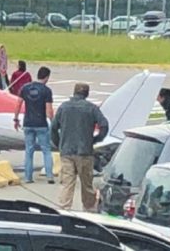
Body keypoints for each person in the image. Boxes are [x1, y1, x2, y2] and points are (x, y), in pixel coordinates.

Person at [51, 83, 109, 212]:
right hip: (85, 151)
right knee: (87, 184)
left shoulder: (63, 107)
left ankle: (64, 209)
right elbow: (104, 125)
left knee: (67, 183)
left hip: (66, 151)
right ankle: (89, 210)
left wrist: (59, 143)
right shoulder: (91, 108)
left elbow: (54, 128)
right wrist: (95, 139)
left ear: (74, 92)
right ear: (87, 94)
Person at [14, 66, 54, 184]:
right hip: (41, 123)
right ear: (47, 77)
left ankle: (28, 177)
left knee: (28, 151)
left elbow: (18, 104)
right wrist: (52, 122)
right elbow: (49, 110)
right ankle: (49, 176)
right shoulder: (46, 90)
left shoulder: (25, 88)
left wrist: (16, 119)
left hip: (28, 123)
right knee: (46, 150)